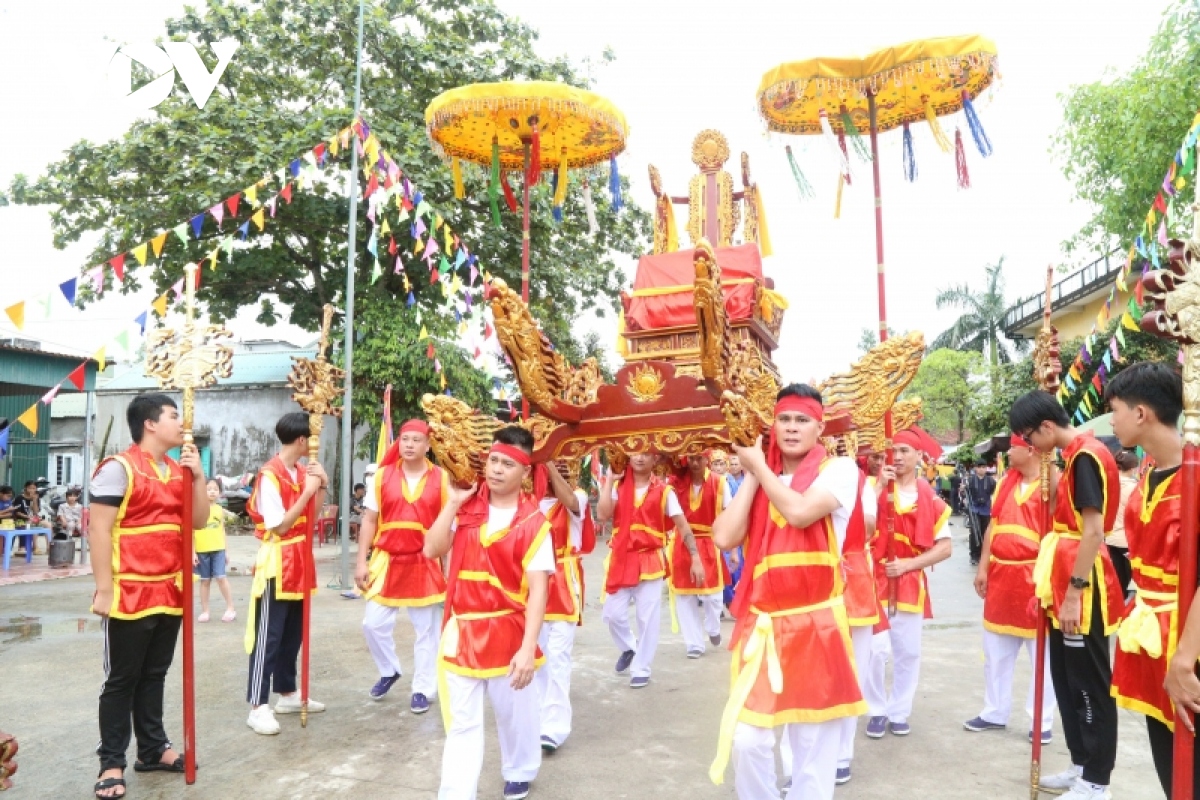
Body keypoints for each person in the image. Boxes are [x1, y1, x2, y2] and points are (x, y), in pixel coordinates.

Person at [708, 384, 865, 800]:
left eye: (802, 420)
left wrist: (758, 469)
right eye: (784, 419)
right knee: (749, 739)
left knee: (812, 750)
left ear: (820, 427)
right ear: (772, 425)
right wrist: (756, 475)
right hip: (763, 627)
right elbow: (724, 537)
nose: (792, 428)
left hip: (817, 625)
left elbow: (798, 513)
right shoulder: (762, 476)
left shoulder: (841, 470)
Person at [88, 393, 209, 800]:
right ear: (150, 423)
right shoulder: (118, 469)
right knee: (122, 679)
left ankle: (153, 749)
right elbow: (99, 531)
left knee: (154, 675)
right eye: (175, 416)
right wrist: (104, 588)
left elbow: (197, 521)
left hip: (169, 588)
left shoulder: (178, 469)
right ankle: (111, 761)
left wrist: (197, 477)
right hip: (128, 590)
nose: (182, 423)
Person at [424, 426, 554, 800]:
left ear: (525, 472)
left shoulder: (533, 524)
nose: (497, 469)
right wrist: (451, 502)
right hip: (462, 630)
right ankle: (456, 793)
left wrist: (529, 648)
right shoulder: (466, 508)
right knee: (462, 724)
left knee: (515, 715)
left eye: (508, 463)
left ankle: (520, 769)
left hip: (509, 633)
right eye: (493, 460)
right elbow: (432, 550)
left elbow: (539, 592)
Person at [1010, 390, 1123, 800]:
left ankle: (1097, 780)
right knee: (1064, 676)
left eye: (1027, 437)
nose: (1027, 446)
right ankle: (1080, 764)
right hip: (1062, 576)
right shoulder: (1072, 455)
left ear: (1045, 427)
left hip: (1083, 581)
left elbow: (1092, 531)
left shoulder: (1088, 456)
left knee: (1089, 682)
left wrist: (1075, 593)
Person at [1106, 363, 1199, 797]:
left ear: (1141, 413)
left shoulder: (1196, 476)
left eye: (1116, 409)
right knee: (1170, 770)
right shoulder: (1147, 474)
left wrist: (1185, 656)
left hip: (1189, 642)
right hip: (1151, 634)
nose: (1112, 419)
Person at [964, 434, 1057, 743]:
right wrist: (983, 567)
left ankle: (1041, 721)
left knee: (1041, 657)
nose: (1006, 453)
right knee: (996, 652)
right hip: (1002, 577)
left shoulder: (1052, 481)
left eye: (1012, 447)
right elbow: (993, 525)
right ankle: (994, 711)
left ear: (1030, 449)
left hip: (1035, 577)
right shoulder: (1005, 481)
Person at [354, 419, 449, 714]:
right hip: (388, 558)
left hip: (426, 560)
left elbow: (448, 529)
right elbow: (369, 520)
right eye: (405, 439)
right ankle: (389, 669)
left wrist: (449, 568)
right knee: (372, 623)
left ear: (427, 445)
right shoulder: (381, 477)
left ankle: (422, 688)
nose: (409, 444)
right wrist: (361, 561)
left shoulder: (442, 479)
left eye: (416, 440)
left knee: (427, 632)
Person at [244, 412, 328, 736]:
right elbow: (278, 525)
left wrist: (321, 485)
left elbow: (312, 516)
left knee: (294, 633)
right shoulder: (270, 474)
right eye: (313, 438)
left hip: (301, 558)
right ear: (303, 440)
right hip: (278, 560)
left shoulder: (300, 471)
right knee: (269, 635)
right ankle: (257, 704)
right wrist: (308, 491)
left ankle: (287, 692)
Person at [865, 426, 952, 739]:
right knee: (874, 651)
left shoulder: (928, 497)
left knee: (908, 651)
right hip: (873, 580)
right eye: (894, 451)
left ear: (918, 456)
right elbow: (854, 531)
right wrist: (876, 490)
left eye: (904, 451)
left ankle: (899, 711)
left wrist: (908, 564)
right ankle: (875, 709)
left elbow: (945, 546)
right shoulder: (870, 489)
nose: (898, 457)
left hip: (909, 582)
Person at [597, 452, 704, 689]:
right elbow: (602, 515)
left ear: (655, 460)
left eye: (646, 454)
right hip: (621, 558)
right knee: (612, 614)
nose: (640, 458)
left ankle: (642, 667)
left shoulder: (665, 491)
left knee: (648, 618)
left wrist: (695, 557)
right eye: (635, 452)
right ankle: (629, 646)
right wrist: (609, 481)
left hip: (650, 559)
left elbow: (682, 525)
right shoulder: (619, 486)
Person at [534, 459, 596, 753]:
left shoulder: (578, 497)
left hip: (563, 583)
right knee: (537, 657)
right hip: (532, 584)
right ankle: (539, 716)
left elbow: (569, 499)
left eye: (560, 465)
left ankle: (554, 728)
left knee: (558, 656)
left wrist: (546, 461)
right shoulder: (527, 502)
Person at [670, 452, 732, 658]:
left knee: (712, 597)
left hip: (709, 541)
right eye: (691, 459)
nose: (695, 463)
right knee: (684, 596)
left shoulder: (720, 482)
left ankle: (713, 628)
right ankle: (694, 644)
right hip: (682, 543)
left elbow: (729, 515)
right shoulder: (677, 482)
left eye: (699, 458)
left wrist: (732, 550)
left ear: (708, 460)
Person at [194, 479, 237, 623]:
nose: (212, 491)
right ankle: (205, 611)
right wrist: (192, 552)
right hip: (201, 550)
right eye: (208, 489)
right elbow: (191, 532)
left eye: (215, 489)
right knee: (205, 581)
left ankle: (231, 608)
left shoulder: (219, 510)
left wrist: (226, 551)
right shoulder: (197, 509)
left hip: (218, 549)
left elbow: (222, 530)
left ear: (219, 492)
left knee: (221, 578)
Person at [1106, 447, 1140, 595]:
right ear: (1132, 468)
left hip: (1109, 538)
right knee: (1132, 583)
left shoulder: (1106, 485)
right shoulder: (1134, 488)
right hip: (1127, 542)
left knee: (1117, 583)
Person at [964, 462, 996, 566]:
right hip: (974, 509)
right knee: (974, 532)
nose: (982, 469)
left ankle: (984, 555)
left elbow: (993, 492)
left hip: (986, 509)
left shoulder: (991, 481)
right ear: (975, 468)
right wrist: (963, 489)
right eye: (979, 467)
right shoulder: (970, 480)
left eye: (983, 467)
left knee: (985, 532)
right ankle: (974, 555)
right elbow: (965, 493)